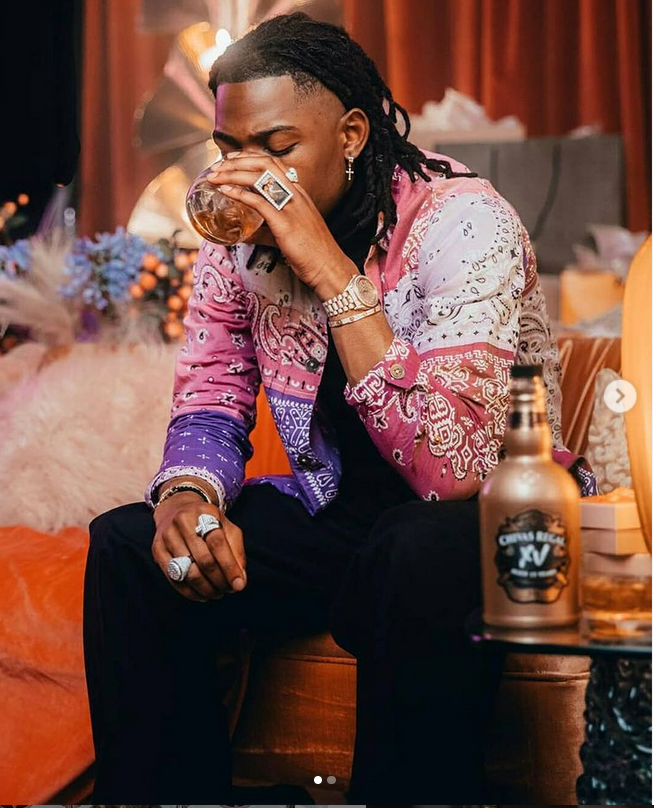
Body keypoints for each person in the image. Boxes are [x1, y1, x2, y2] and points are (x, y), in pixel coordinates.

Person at [83, 12, 594, 804]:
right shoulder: (236, 244)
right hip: (345, 516)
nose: (247, 174)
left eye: (277, 148)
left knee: (412, 549)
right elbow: (212, 395)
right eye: (230, 149)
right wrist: (187, 497)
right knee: (129, 546)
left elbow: (452, 470)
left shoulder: (465, 222)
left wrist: (327, 266)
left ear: (351, 134)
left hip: (495, 521)